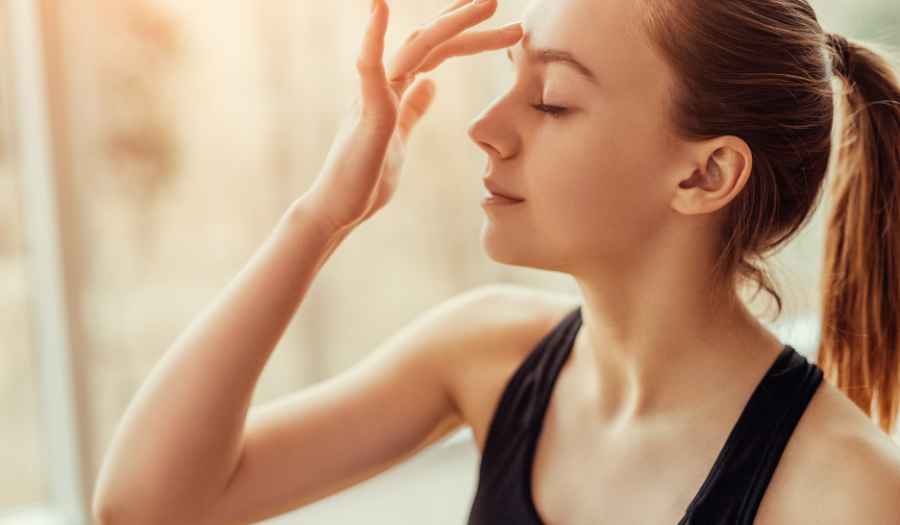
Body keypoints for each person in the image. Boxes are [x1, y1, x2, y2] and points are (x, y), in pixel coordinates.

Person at [92, 0, 900, 523]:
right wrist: (323, 215)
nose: (483, 123)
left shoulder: (844, 493)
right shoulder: (488, 352)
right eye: (508, 80)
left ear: (704, 173)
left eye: (549, 99)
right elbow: (147, 504)